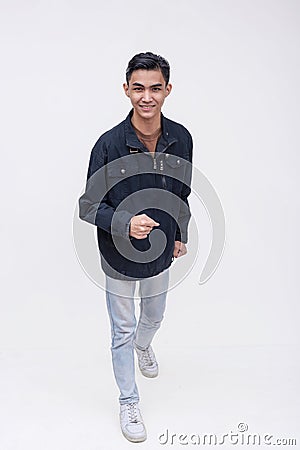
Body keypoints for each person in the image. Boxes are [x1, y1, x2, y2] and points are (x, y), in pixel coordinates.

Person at [79, 52, 193, 443]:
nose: (147, 97)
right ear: (126, 89)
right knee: (122, 330)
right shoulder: (108, 145)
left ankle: (146, 346)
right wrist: (125, 224)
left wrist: (181, 233)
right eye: (139, 88)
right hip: (118, 256)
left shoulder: (182, 138)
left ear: (168, 90)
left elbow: (183, 192)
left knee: (154, 316)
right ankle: (129, 400)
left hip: (161, 251)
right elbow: (89, 205)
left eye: (155, 88)